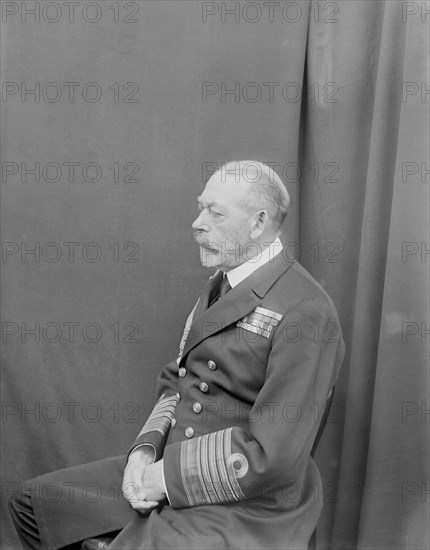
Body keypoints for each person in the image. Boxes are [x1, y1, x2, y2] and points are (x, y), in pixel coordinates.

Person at [9, 160, 345, 550]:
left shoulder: (306, 310)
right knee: (34, 504)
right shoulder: (220, 282)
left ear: (258, 223)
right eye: (201, 207)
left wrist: (165, 477)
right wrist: (144, 452)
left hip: (248, 498)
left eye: (215, 213)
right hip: (171, 459)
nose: (197, 222)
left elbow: (276, 455)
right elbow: (179, 379)